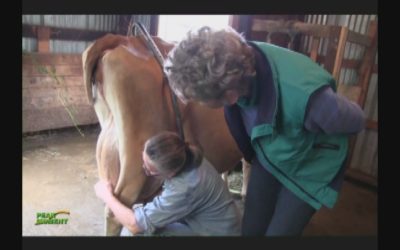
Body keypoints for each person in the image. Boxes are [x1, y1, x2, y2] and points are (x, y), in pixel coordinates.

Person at [163, 26, 366, 236]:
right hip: (272, 151)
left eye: (201, 100)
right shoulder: (238, 68)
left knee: (279, 233)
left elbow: (356, 120)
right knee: (251, 226)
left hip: (310, 165)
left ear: (230, 95)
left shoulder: (309, 100)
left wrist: (316, 118)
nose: (201, 104)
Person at [94, 131, 242, 236]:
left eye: (149, 170)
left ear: (170, 174)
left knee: (134, 234)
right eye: (143, 160)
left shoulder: (185, 188)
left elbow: (135, 225)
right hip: (217, 223)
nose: (143, 168)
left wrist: (107, 196)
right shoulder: (188, 154)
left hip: (214, 234)